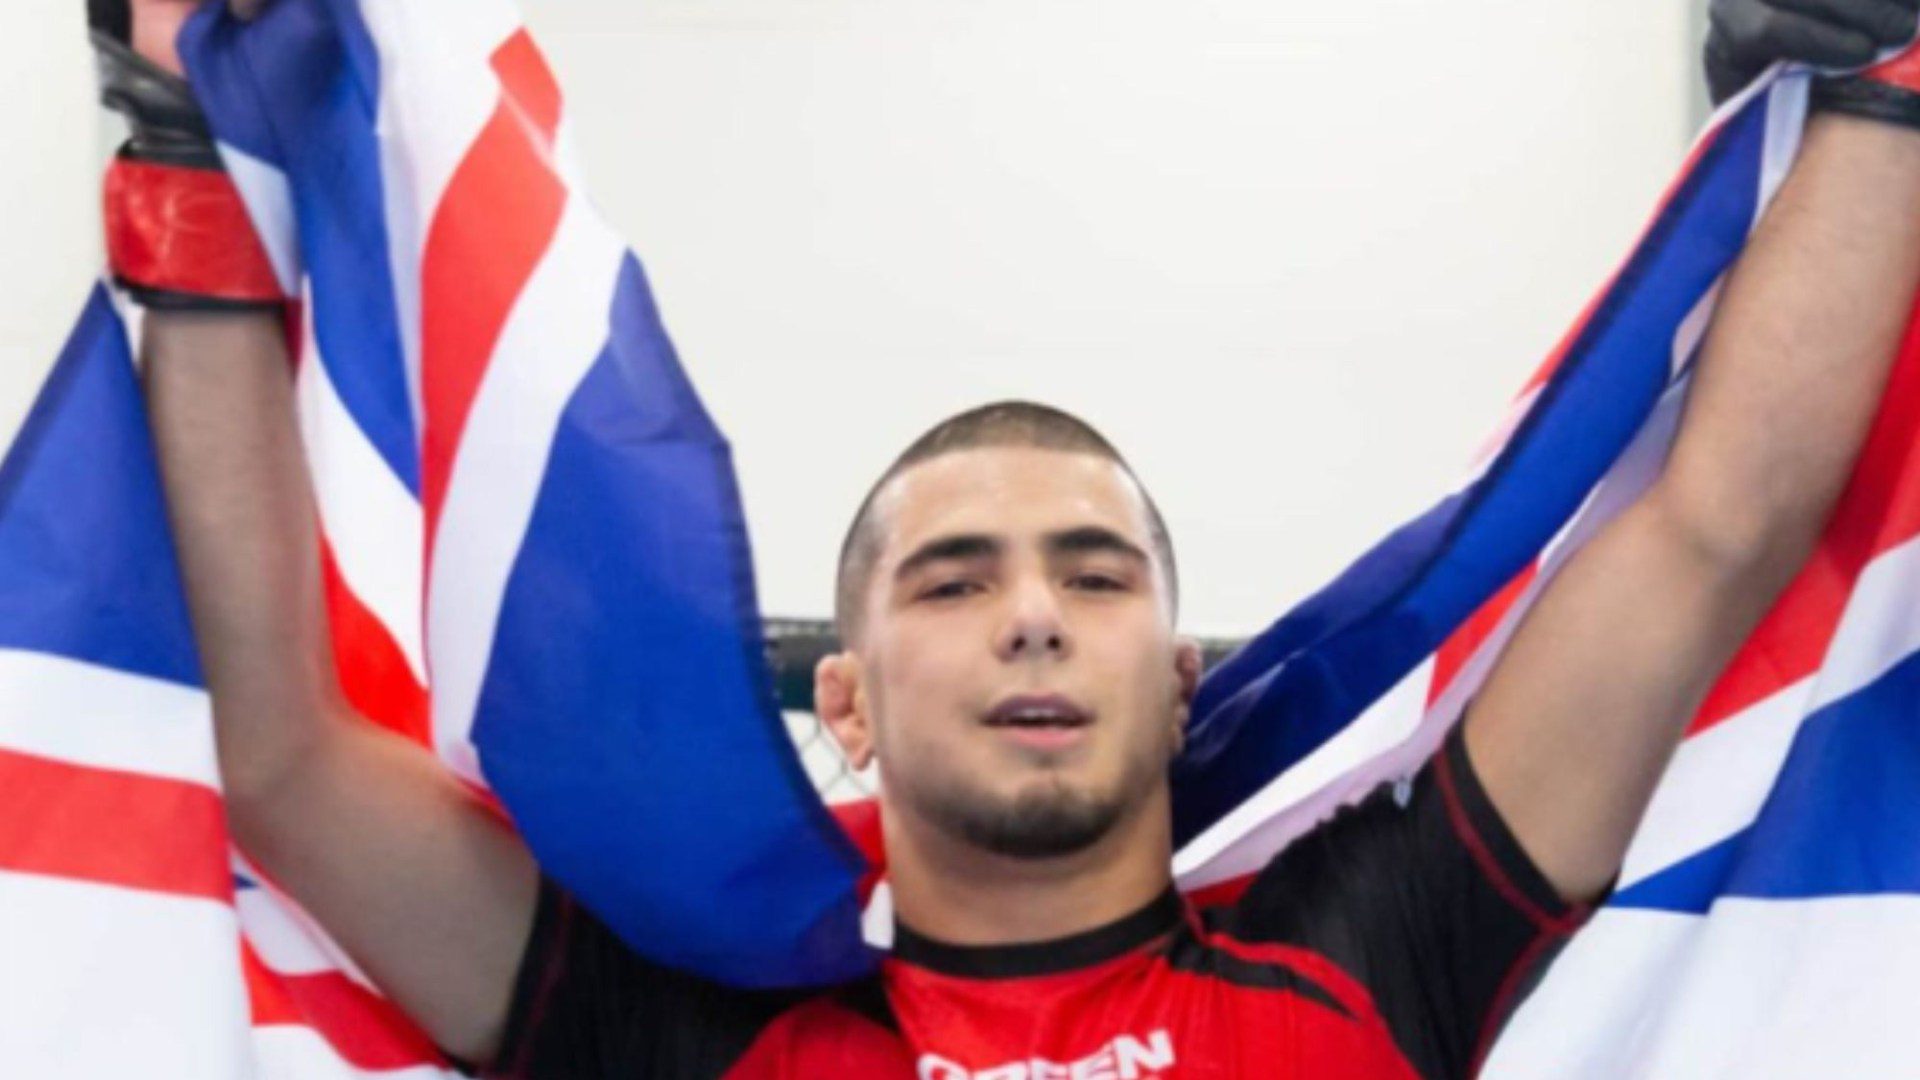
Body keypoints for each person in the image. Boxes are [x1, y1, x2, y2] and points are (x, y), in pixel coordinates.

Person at [96, 0, 1920, 1075]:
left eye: (1094, 575)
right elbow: (285, 765)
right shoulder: (693, 1038)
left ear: (1180, 683)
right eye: (953, 581)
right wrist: (188, 166)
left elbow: (1715, 530)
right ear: (848, 703)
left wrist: (1879, 78)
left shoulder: (1369, 958)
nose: (1033, 616)